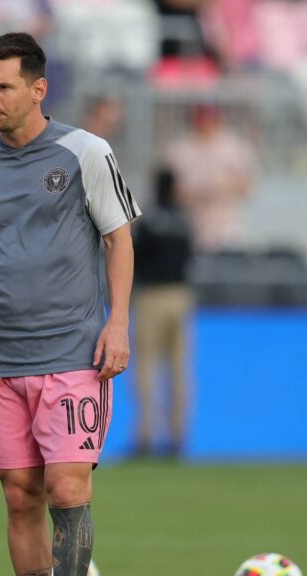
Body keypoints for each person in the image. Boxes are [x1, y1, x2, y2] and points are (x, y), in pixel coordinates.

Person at [0, 32, 139, 576]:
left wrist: (119, 323)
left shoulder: (87, 152)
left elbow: (118, 238)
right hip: (1, 359)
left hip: (74, 353)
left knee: (66, 486)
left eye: (3, 86)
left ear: (38, 89)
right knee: (20, 496)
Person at [131, 166, 193, 458]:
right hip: (180, 295)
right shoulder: (183, 220)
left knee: (146, 368)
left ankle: (145, 437)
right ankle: (177, 437)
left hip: (152, 297)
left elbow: (133, 257)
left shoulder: (150, 220)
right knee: (179, 369)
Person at [164, 102, 254, 252]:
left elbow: (246, 185)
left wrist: (220, 190)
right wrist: (199, 193)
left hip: (226, 224)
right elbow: (168, 189)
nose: (206, 124)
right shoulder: (179, 149)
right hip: (189, 223)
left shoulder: (234, 147)